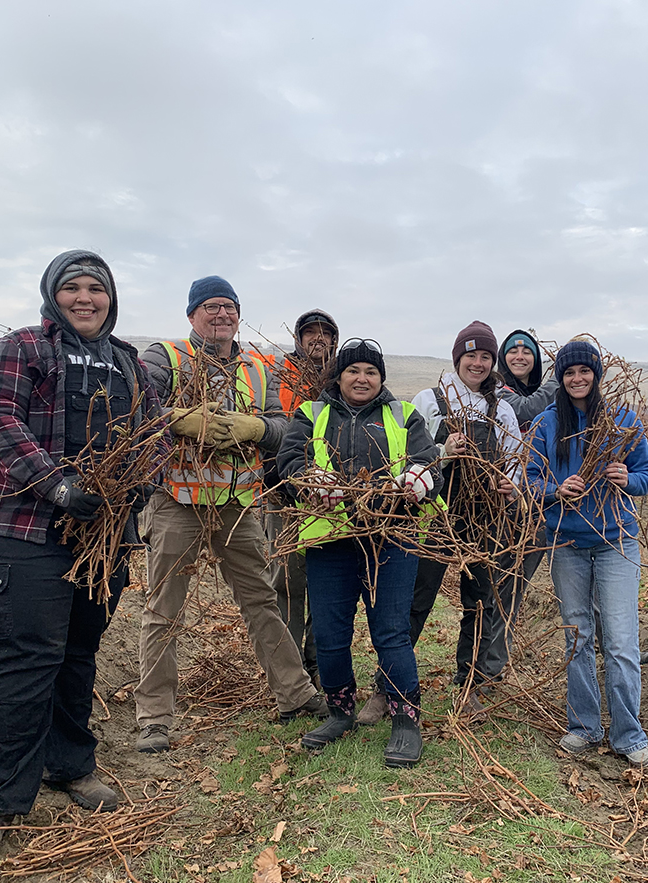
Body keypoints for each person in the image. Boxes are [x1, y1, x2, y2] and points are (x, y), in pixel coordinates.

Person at [0, 250, 167, 874]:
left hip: (98, 539)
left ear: (112, 298)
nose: (86, 298)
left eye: (97, 289)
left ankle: (69, 765)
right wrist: (56, 484)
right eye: (72, 288)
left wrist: (132, 484)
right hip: (21, 528)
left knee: (78, 649)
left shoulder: (128, 364)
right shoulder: (23, 346)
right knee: (25, 655)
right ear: (52, 294)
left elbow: (154, 434)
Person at [134, 276, 326, 754]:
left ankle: (295, 695)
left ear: (239, 314)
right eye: (211, 307)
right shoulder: (166, 356)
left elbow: (286, 427)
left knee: (261, 600)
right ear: (192, 314)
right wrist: (180, 419)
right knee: (165, 609)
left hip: (238, 505)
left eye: (229, 307)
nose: (222, 314)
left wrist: (256, 426)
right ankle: (154, 717)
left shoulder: (260, 368)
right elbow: (137, 404)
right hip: (177, 501)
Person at [277, 338, 440, 767]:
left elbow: (428, 461)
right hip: (330, 538)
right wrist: (310, 479)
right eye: (353, 371)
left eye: (371, 371)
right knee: (330, 634)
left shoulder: (403, 414)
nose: (362, 378)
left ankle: (406, 719)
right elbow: (288, 459)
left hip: (393, 536)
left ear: (381, 378)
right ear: (339, 376)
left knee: (391, 630)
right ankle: (340, 711)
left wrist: (421, 477)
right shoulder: (312, 413)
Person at [527, 340, 648, 767]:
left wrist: (627, 478)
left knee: (620, 640)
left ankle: (628, 733)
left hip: (616, 540)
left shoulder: (622, 421)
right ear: (560, 379)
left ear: (596, 375)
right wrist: (554, 490)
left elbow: (647, 475)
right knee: (577, 637)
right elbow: (530, 480)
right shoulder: (547, 424)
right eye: (569, 373)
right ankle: (584, 725)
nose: (577, 379)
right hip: (566, 544)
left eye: (584, 371)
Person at [408, 321, 521, 719]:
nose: (478, 363)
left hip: (484, 520)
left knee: (480, 603)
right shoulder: (429, 401)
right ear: (458, 358)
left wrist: (509, 482)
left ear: (493, 363)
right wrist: (443, 450)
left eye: (486, 357)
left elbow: (516, 465)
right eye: (470, 355)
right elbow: (407, 459)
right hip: (434, 516)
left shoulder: (502, 410)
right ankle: (391, 686)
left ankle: (469, 685)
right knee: (416, 598)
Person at [265, 310, 339, 687]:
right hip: (284, 496)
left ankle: (317, 661)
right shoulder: (275, 373)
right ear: (297, 338)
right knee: (287, 584)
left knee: (327, 581)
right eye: (310, 332)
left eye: (325, 333)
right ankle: (289, 672)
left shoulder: (342, 380)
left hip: (334, 500)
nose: (318, 339)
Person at [483, 330, 558, 680]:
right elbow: (529, 410)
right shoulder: (499, 393)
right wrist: (562, 375)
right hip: (518, 503)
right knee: (511, 583)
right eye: (512, 350)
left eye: (527, 350)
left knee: (586, 582)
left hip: (556, 498)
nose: (519, 355)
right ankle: (492, 666)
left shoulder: (549, 396)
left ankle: (610, 650)